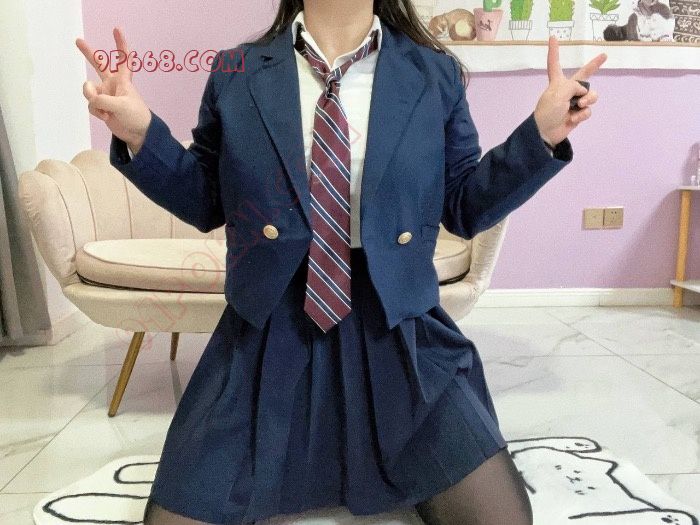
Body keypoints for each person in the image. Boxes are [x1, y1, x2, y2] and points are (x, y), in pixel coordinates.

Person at [76, 1, 605, 523]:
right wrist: (141, 134)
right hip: (267, 329)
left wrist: (539, 136)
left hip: (399, 327)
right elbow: (206, 200)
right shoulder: (236, 70)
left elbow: (465, 206)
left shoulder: (433, 73)